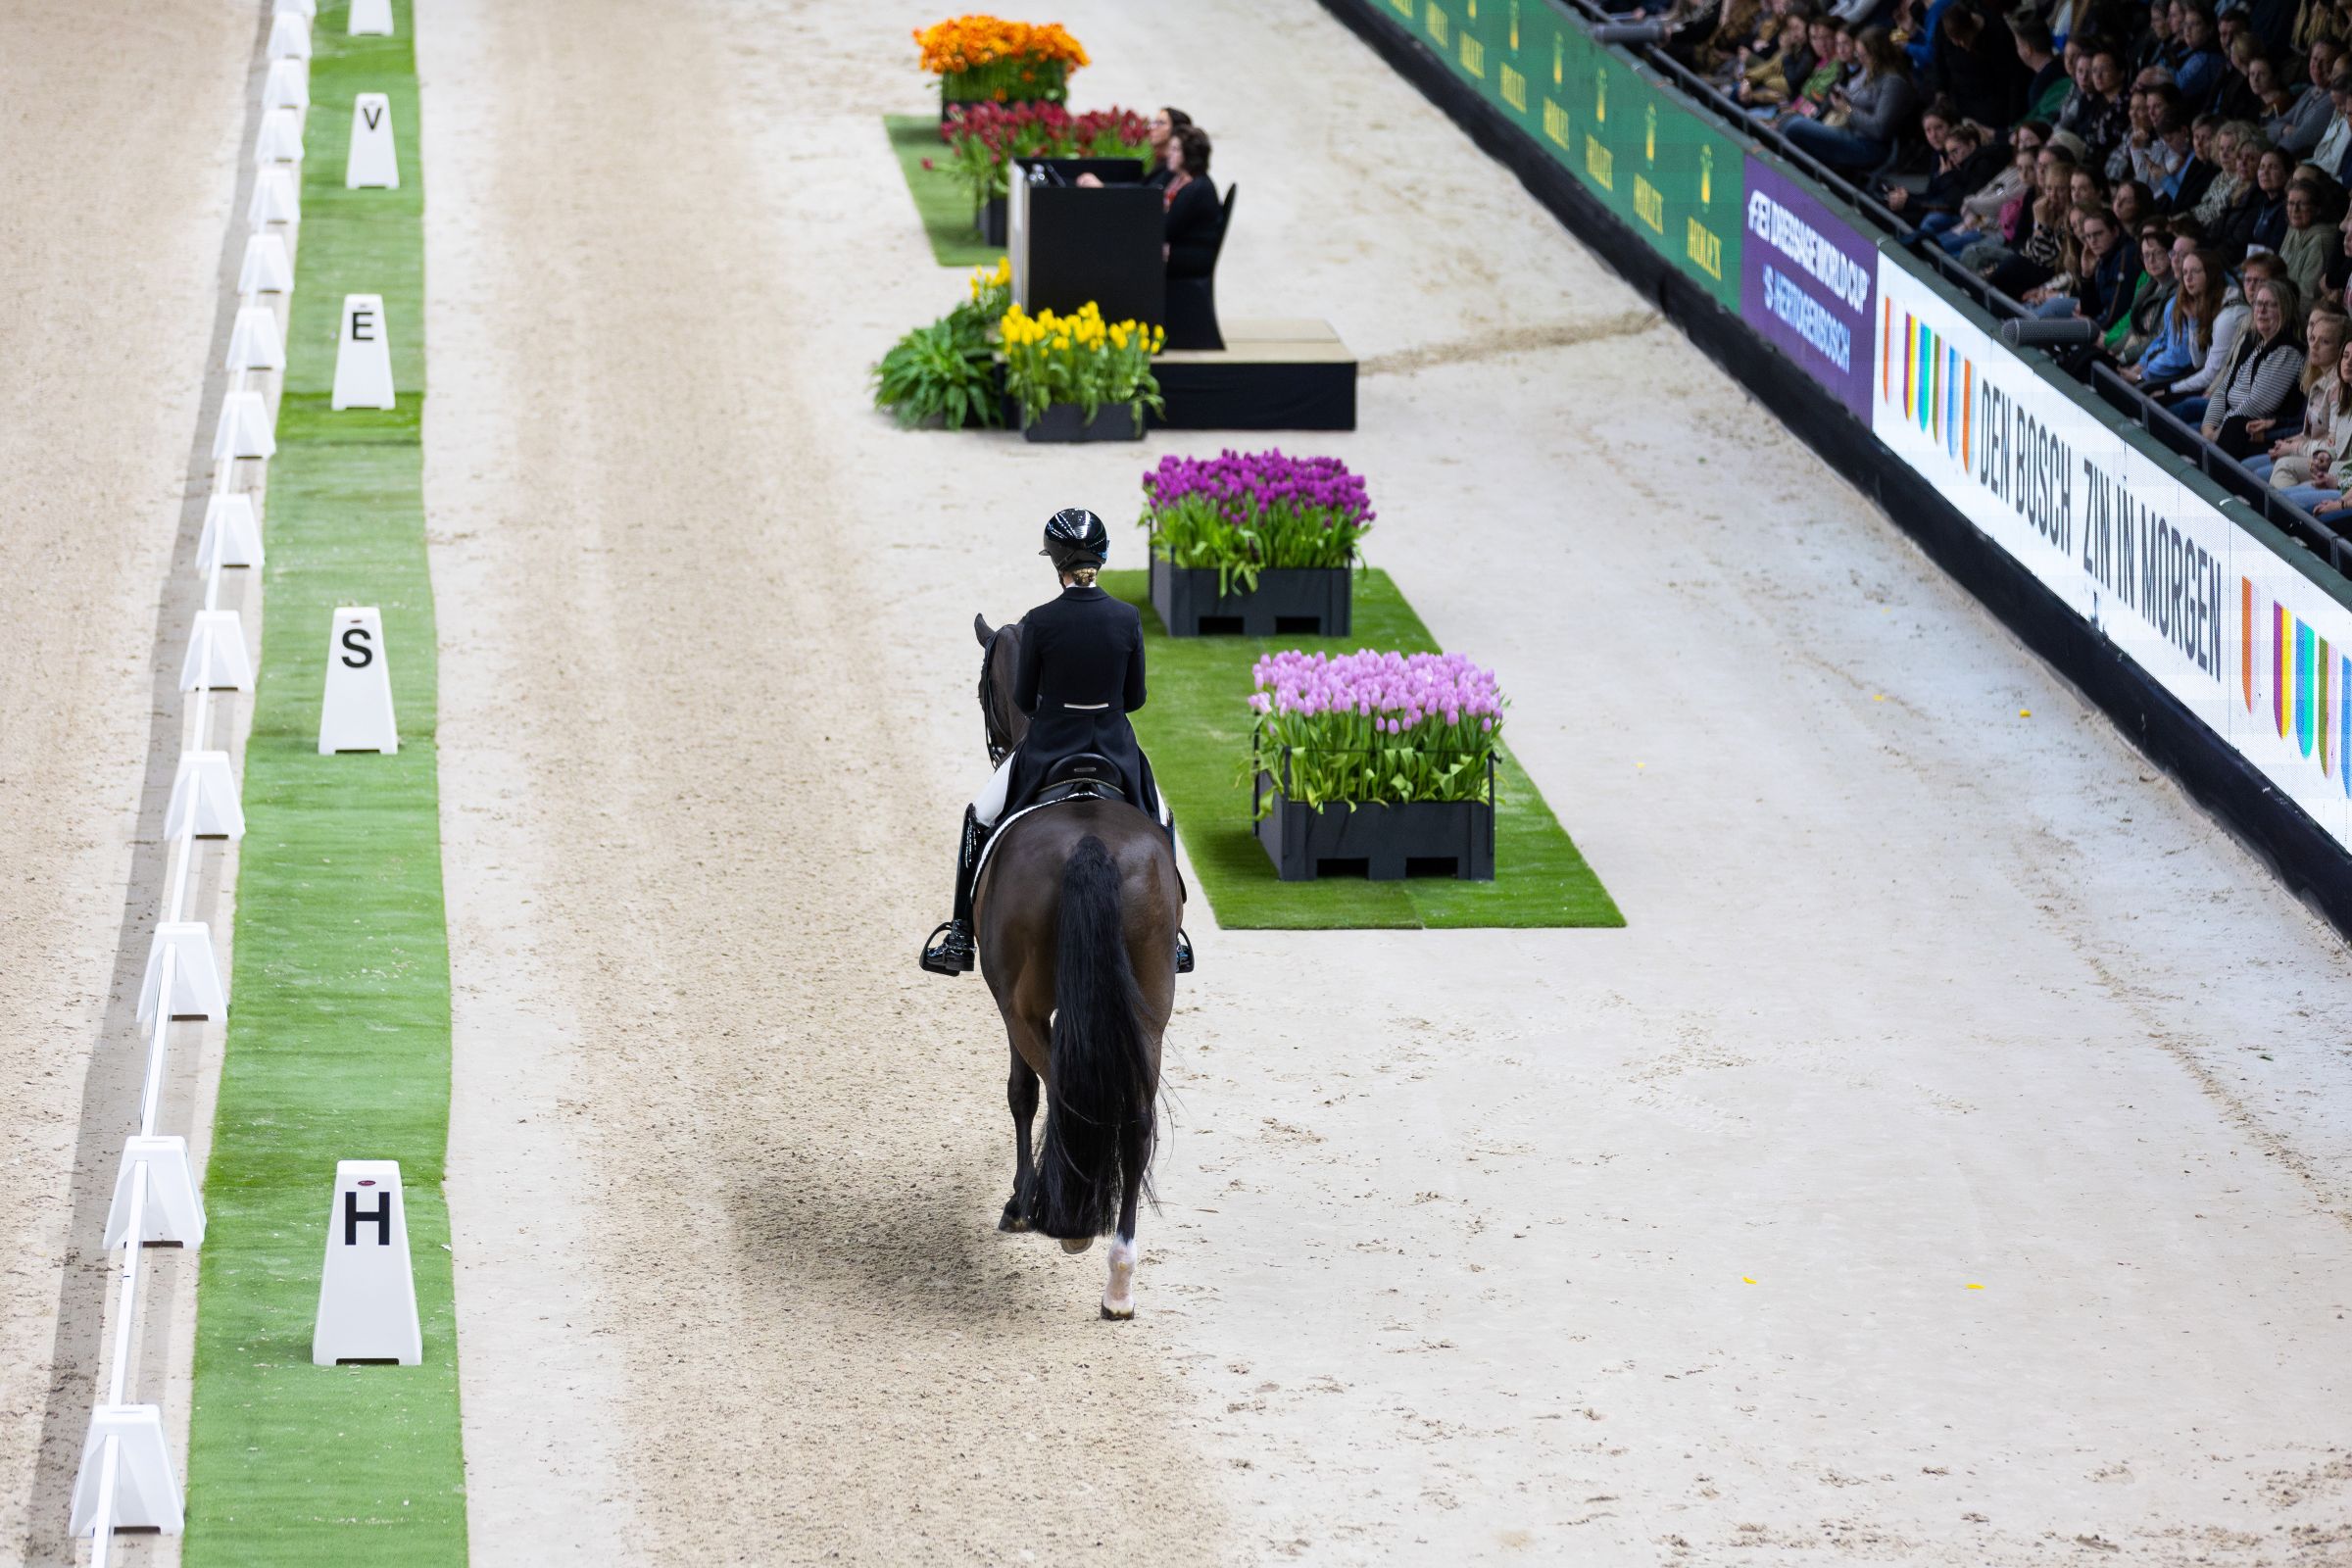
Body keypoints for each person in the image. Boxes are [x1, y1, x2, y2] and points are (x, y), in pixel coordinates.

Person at [921, 510, 1191, 977]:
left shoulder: (1040, 622)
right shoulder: (1127, 617)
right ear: (1101, 558)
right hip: (1115, 751)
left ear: (1056, 562)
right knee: (1161, 818)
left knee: (978, 817)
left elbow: (1025, 700)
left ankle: (960, 933)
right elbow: (1135, 699)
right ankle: (1175, 936)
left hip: (1048, 748)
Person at [1785, 25, 1921, 167]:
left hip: (1870, 146)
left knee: (1795, 126)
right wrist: (1844, 97)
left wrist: (1846, 108)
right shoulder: (1873, 74)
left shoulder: (1894, 83)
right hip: (1852, 133)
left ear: (1877, 54)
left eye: (1863, 55)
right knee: (1789, 120)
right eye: (1858, 54)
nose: (1860, 60)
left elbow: (1879, 129)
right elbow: (1862, 106)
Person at [2199, 272, 2306, 452]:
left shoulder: (2288, 351)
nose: (2261, 310)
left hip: (2258, 435)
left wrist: (2219, 432)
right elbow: (2223, 389)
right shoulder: (2253, 342)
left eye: (2270, 305)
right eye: (2258, 303)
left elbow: (2256, 405)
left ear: (2285, 311)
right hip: (2228, 423)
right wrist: (2208, 428)